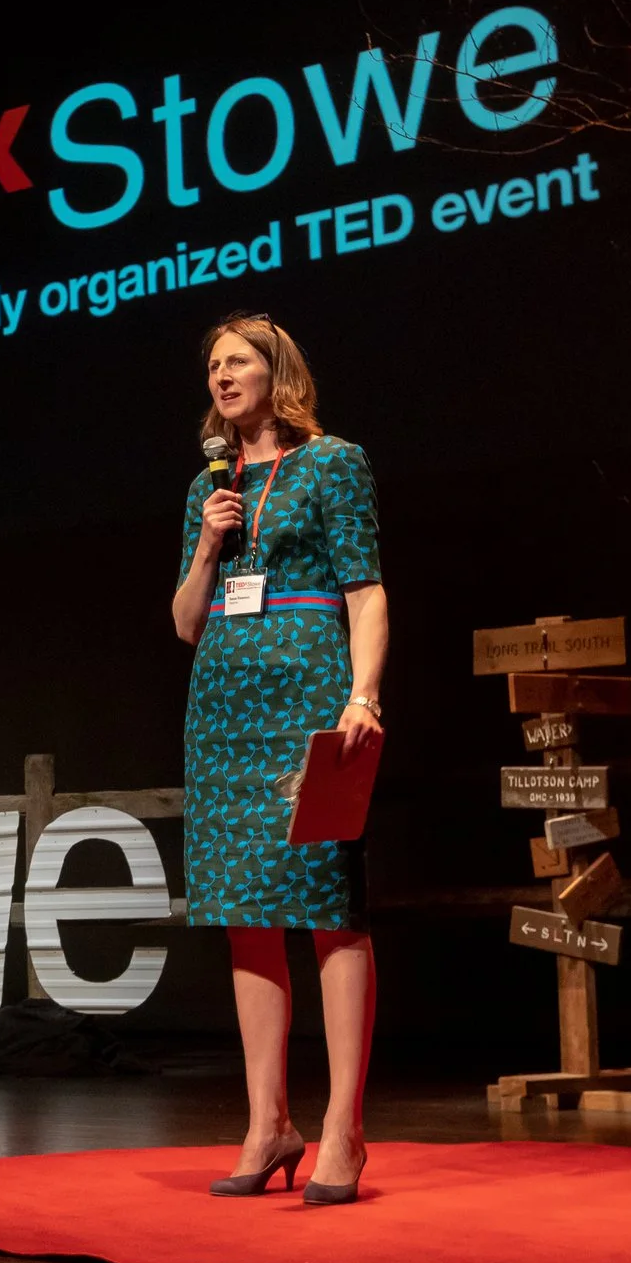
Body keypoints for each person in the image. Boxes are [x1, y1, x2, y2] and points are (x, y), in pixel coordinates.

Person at [170, 313, 387, 1205]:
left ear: (276, 371)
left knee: (328, 905)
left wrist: (362, 696)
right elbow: (186, 621)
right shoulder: (205, 487)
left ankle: (343, 1128)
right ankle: (268, 1123)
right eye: (213, 364)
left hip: (309, 693)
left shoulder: (334, 462)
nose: (223, 375)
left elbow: (368, 591)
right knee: (243, 910)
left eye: (239, 360)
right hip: (222, 706)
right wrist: (211, 540)